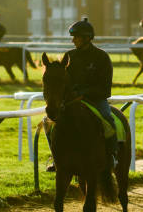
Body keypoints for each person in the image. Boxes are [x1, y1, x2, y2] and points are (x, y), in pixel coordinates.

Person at [45, 17, 117, 176]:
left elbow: (105, 89)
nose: (73, 41)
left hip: (95, 100)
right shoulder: (69, 56)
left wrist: (83, 93)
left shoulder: (101, 57)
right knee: (47, 123)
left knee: (108, 119)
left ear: (86, 38)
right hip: (70, 102)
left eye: (76, 37)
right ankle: (56, 158)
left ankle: (112, 156)